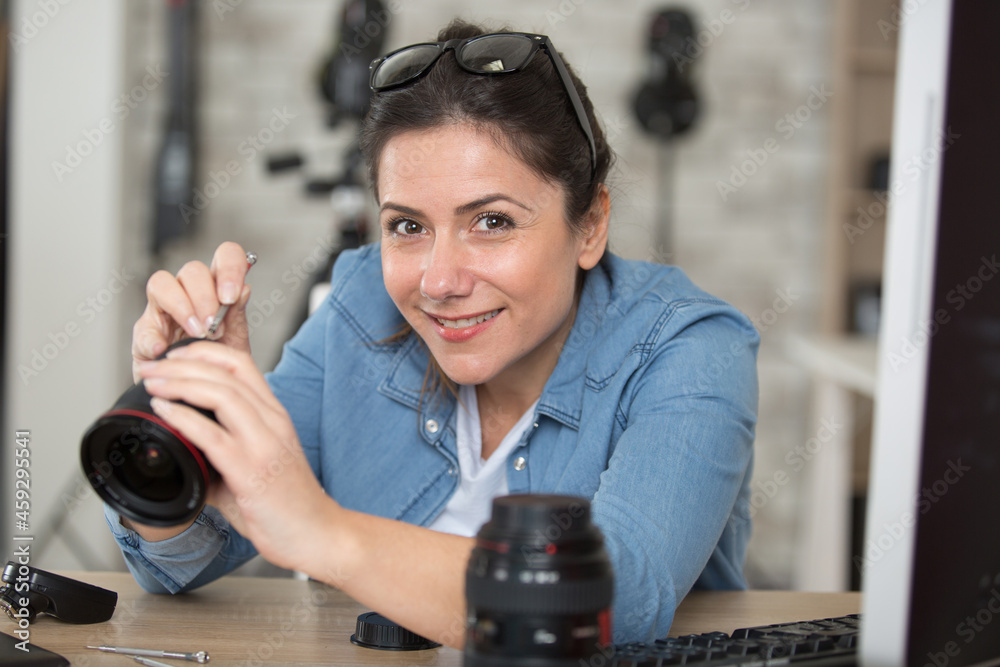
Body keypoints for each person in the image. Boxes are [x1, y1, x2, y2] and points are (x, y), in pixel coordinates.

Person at [109, 19, 759, 647]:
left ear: (589, 225)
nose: (440, 280)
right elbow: (183, 560)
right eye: (408, 227)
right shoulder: (363, 306)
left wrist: (323, 533)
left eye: (493, 222)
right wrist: (181, 428)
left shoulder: (692, 349)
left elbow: (614, 602)